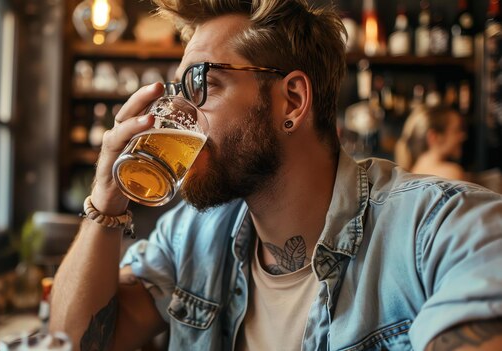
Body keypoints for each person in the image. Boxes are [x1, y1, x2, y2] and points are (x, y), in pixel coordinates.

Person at [49, 0, 502, 350]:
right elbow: (76, 343)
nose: (176, 113)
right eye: (176, 91)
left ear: (291, 101)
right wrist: (104, 204)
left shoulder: (437, 228)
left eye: (201, 85)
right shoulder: (192, 236)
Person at [395, 105, 468, 181]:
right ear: (434, 137)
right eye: (456, 130)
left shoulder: (410, 174)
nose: (463, 136)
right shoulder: (451, 173)